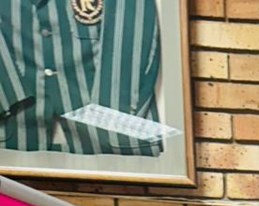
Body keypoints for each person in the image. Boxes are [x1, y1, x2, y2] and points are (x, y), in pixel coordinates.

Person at [0, 0, 163, 155]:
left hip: (115, 147)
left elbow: (132, 35)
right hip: (12, 136)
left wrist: (109, 118)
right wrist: (10, 94)